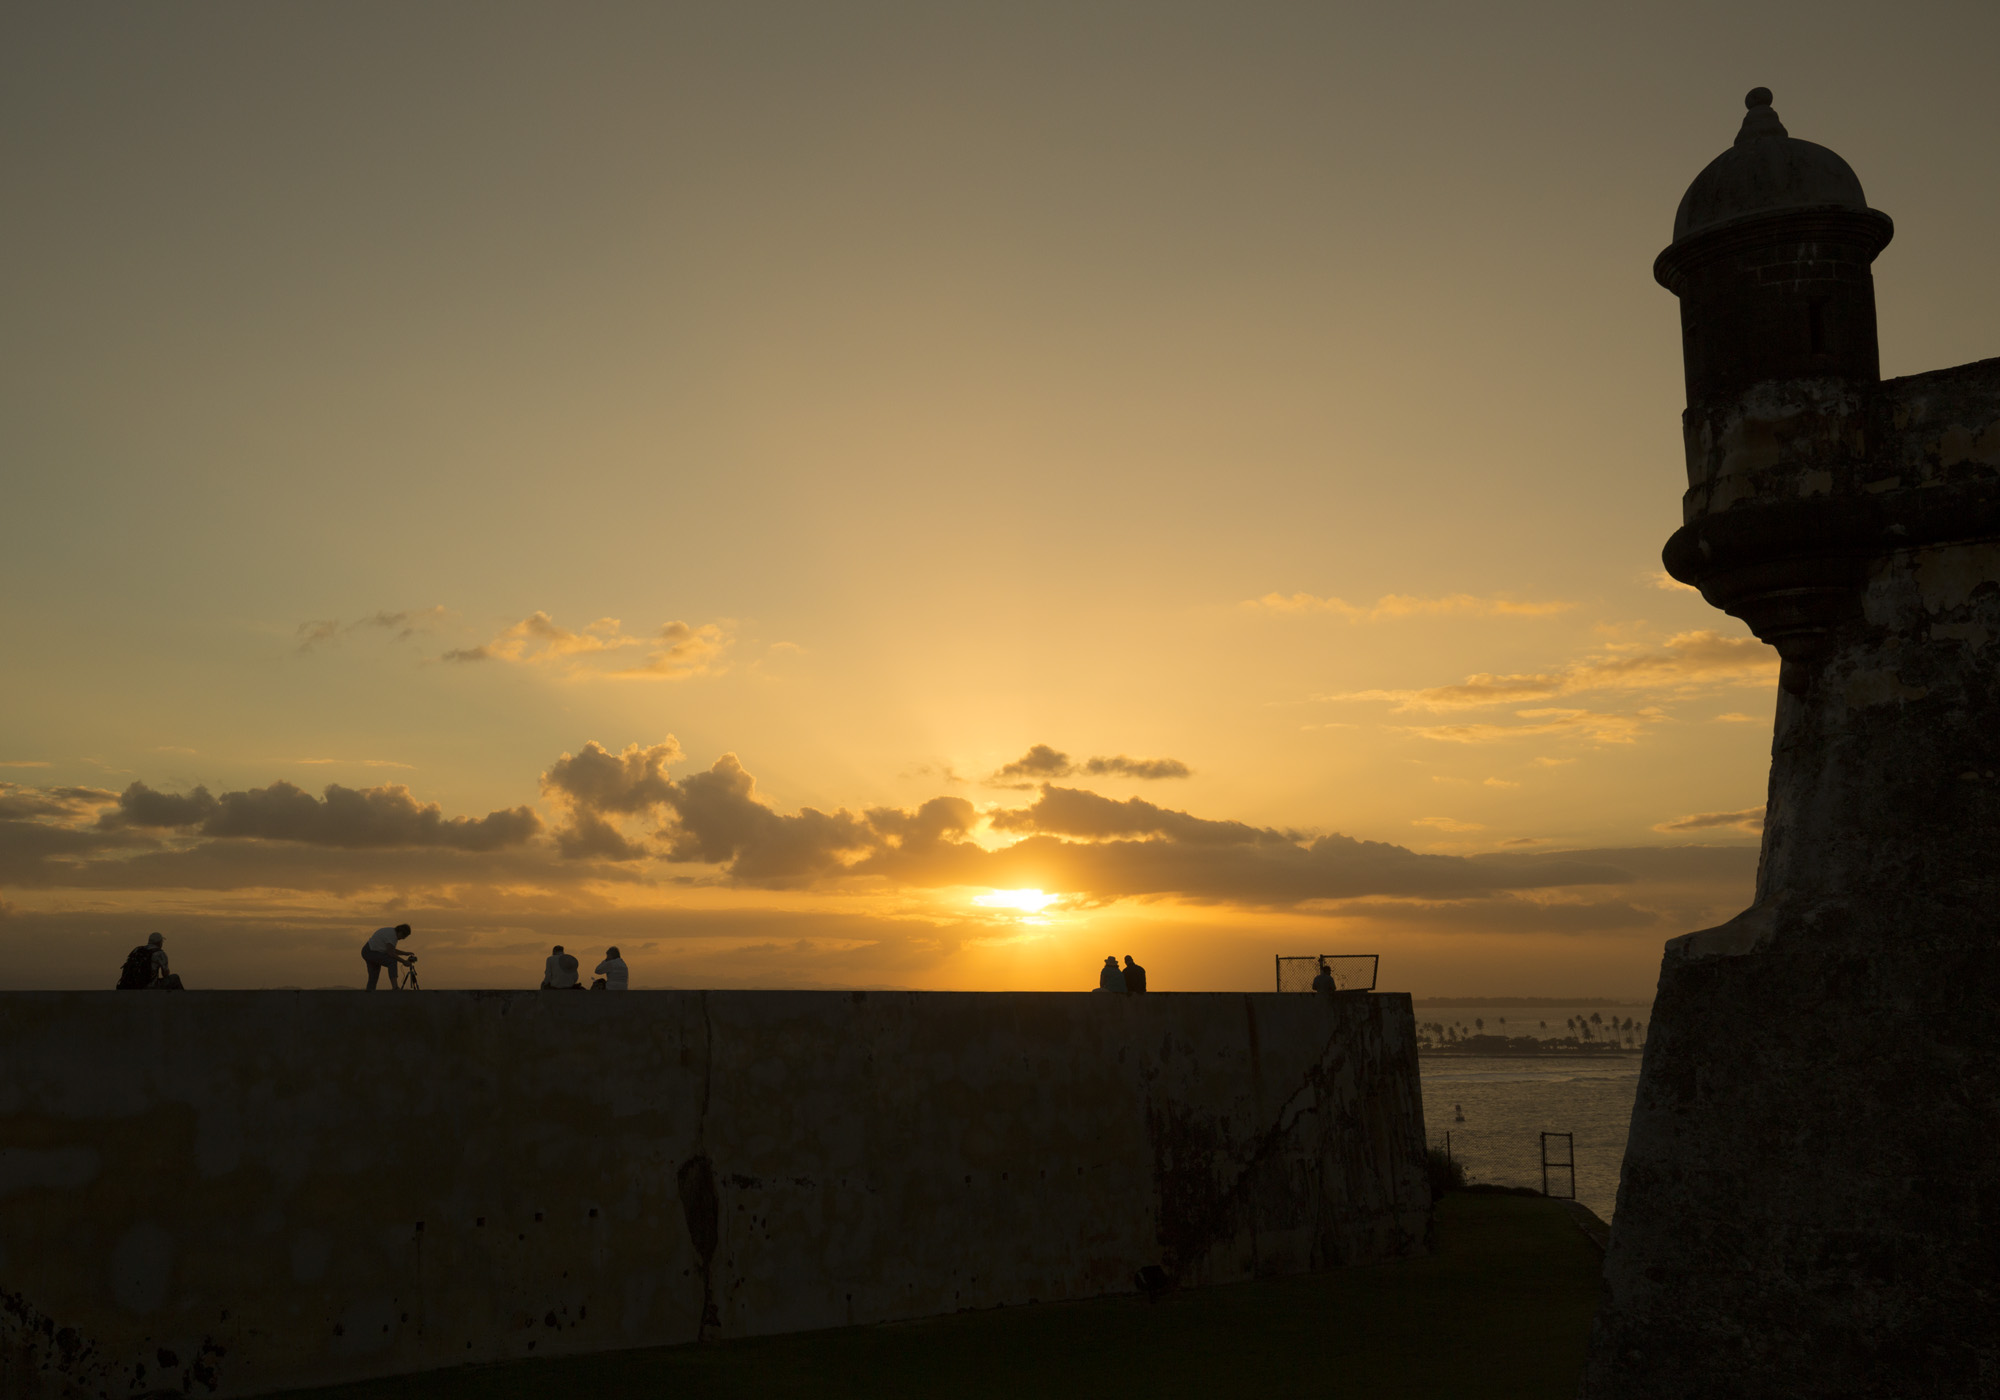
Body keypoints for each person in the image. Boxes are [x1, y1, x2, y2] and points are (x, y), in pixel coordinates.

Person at [116, 932, 183, 990]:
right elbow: (165, 974)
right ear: (160, 942)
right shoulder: (160, 953)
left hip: (134, 986)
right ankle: (181, 1000)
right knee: (175, 978)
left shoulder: (137, 950)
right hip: (151, 986)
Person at [362, 924, 413, 990]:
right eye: (403, 936)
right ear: (400, 932)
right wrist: (404, 962)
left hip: (367, 951)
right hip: (371, 952)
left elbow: (390, 949)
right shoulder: (392, 936)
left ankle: (369, 995)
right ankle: (395, 987)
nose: (403, 938)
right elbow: (391, 953)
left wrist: (405, 953)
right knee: (392, 961)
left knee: (373, 977)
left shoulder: (390, 932)